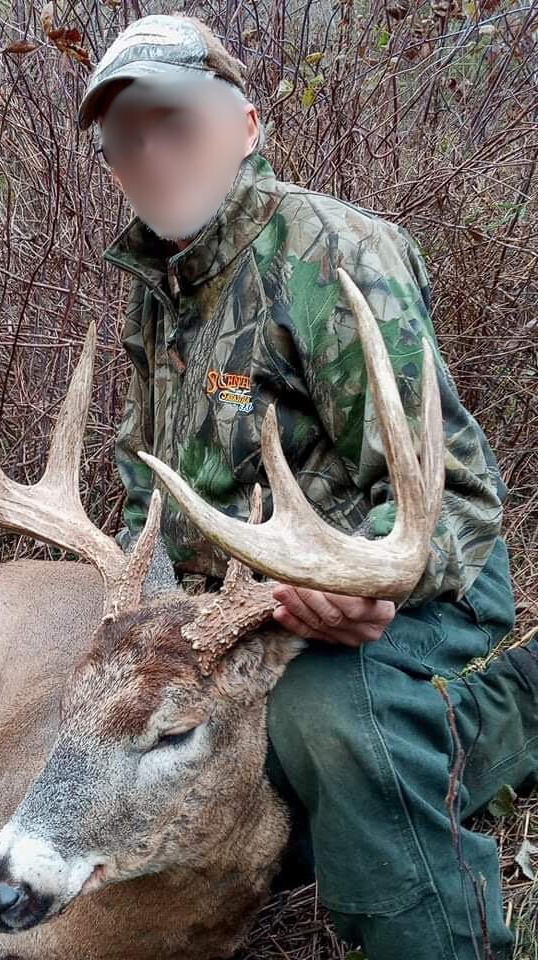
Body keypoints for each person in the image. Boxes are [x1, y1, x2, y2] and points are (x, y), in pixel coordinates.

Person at [77, 13, 538, 959]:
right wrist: (145, 613)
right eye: (124, 137)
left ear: (244, 128)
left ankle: (446, 924)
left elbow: (454, 498)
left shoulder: (333, 256)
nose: (152, 153)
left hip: (417, 588)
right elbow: (145, 488)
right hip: (244, 606)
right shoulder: (162, 285)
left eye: (176, 121)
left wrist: (367, 582)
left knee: (322, 718)